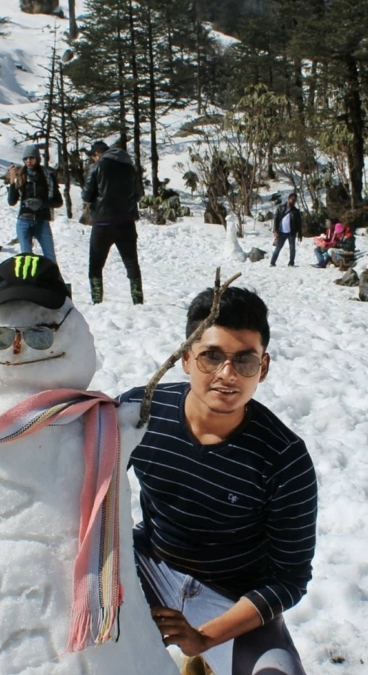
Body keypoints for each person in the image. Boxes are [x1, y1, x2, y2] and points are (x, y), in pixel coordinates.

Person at [119, 287, 315, 675]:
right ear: (186, 358)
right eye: (211, 357)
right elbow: (81, 477)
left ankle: (203, 660)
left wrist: (206, 637)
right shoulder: (141, 415)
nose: (227, 375)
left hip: (232, 595)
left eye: (244, 360)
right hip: (151, 566)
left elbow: (289, 577)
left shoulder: (283, 457)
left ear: (264, 367)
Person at [82, 140, 143, 304]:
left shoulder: (97, 167)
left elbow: (86, 195)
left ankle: (97, 300)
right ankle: (138, 300)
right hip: (126, 221)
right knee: (131, 262)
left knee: (95, 264)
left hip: (103, 222)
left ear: (97, 154)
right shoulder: (129, 166)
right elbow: (138, 194)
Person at [7, 145, 62, 263]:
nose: (28, 161)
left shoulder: (47, 175)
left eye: (31, 158)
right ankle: (29, 281)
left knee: (50, 257)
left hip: (42, 221)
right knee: (26, 258)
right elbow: (12, 201)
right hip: (24, 220)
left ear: (37, 158)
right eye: (25, 159)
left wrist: (42, 203)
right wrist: (12, 181)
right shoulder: (21, 175)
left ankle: (55, 281)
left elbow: (58, 201)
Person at [270, 193, 302, 267]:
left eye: (295, 201)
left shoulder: (295, 211)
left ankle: (291, 263)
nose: (293, 202)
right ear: (288, 199)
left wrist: (299, 233)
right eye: (292, 200)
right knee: (278, 248)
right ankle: (272, 262)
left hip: (291, 232)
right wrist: (275, 230)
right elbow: (276, 219)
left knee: (292, 248)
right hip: (281, 232)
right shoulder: (280, 208)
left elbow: (299, 223)